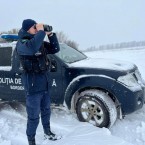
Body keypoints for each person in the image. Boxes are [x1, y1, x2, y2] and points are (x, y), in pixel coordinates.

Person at [16, 19, 60, 145]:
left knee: (46, 111)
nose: (37, 29)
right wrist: (41, 31)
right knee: (33, 117)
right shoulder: (22, 43)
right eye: (34, 27)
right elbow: (32, 48)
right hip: (33, 87)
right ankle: (31, 140)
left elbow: (55, 48)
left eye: (37, 27)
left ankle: (47, 132)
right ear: (28, 29)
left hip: (44, 85)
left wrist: (50, 35)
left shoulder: (38, 41)